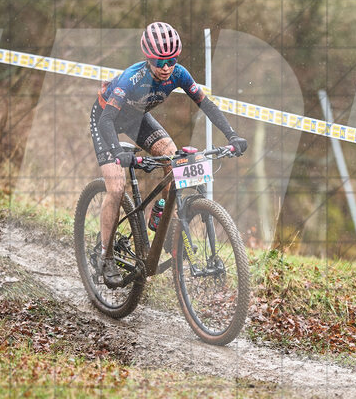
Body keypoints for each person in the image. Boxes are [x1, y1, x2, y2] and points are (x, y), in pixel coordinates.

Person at [89, 21, 246, 284]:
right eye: (159, 62)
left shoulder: (179, 74)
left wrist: (231, 135)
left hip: (136, 120)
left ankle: (163, 211)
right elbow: (106, 121)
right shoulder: (132, 78)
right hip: (105, 120)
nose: (165, 68)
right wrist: (118, 151)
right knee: (116, 189)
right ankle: (104, 256)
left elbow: (205, 104)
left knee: (176, 160)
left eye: (171, 60)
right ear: (147, 59)